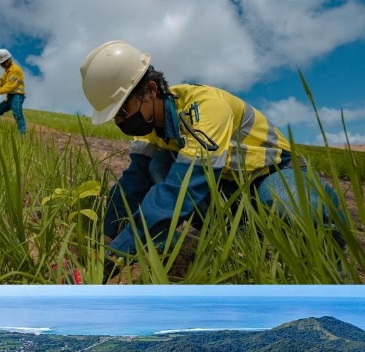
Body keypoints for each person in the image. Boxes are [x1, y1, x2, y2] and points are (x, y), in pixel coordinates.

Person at [80, 40, 343, 279]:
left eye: (122, 110)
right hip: (229, 186)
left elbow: (178, 192)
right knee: (157, 165)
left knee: (280, 200)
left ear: (149, 90)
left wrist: (114, 257)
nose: (121, 121)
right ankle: (236, 238)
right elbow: (132, 185)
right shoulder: (150, 130)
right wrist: (106, 241)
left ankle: (337, 260)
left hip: (274, 173)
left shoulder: (205, 110)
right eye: (114, 116)